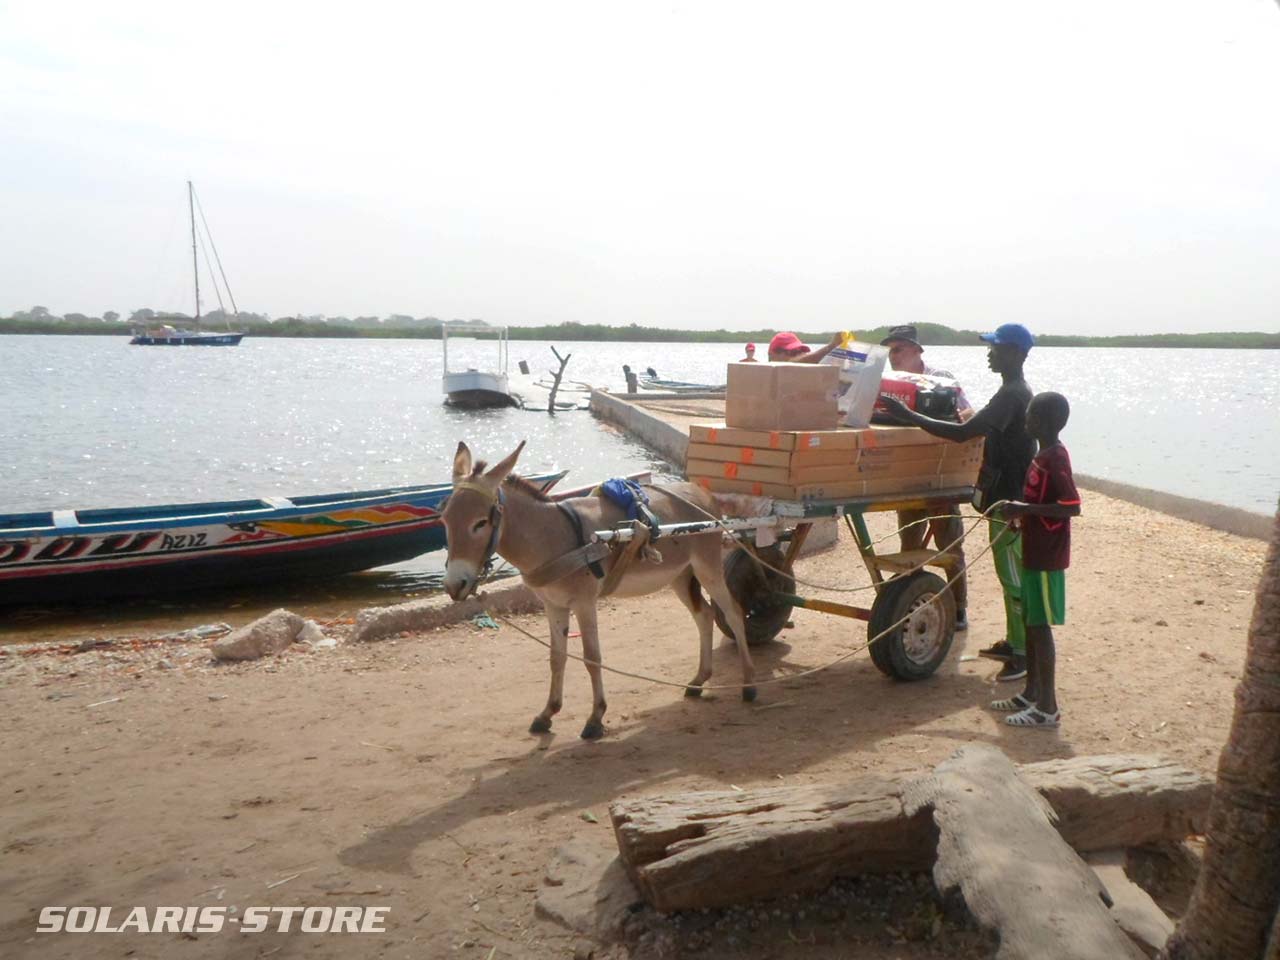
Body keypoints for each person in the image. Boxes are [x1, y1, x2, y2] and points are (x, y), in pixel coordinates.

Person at [880, 322, 1036, 682]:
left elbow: (965, 431)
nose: (989, 353)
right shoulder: (1009, 392)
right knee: (1006, 575)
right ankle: (1014, 641)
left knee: (1013, 581)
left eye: (995, 348)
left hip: (1012, 503)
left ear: (1015, 353)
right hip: (1003, 501)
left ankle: (1023, 652)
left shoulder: (1012, 395)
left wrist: (910, 417)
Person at [990, 392, 1081, 728]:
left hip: (1047, 556)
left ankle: (1047, 707)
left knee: (1041, 628)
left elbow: (1072, 506)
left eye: (1029, 416)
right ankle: (1030, 693)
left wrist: (1025, 509)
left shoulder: (1056, 457)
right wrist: (1020, 516)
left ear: (1042, 422)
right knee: (1030, 621)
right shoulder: (1041, 454)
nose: (1025, 420)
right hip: (1032, 549)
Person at [880, 325, 972, 630]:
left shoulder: (941, 378)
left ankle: (959, 608)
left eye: (899, 350)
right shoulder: (887, 383)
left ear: (918, 351)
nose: (893, 356)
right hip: (907, 474)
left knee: (950, 545)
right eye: (890, 350)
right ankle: (908, 603)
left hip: (942, 475)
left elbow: (968, 415)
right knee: (909, 544)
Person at [767, 331, 842, 364]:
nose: (799, 355)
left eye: (801, 352)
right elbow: (791, 365)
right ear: (773, 355)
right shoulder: (763, 374)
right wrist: (831, 346)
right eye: (793, 352)